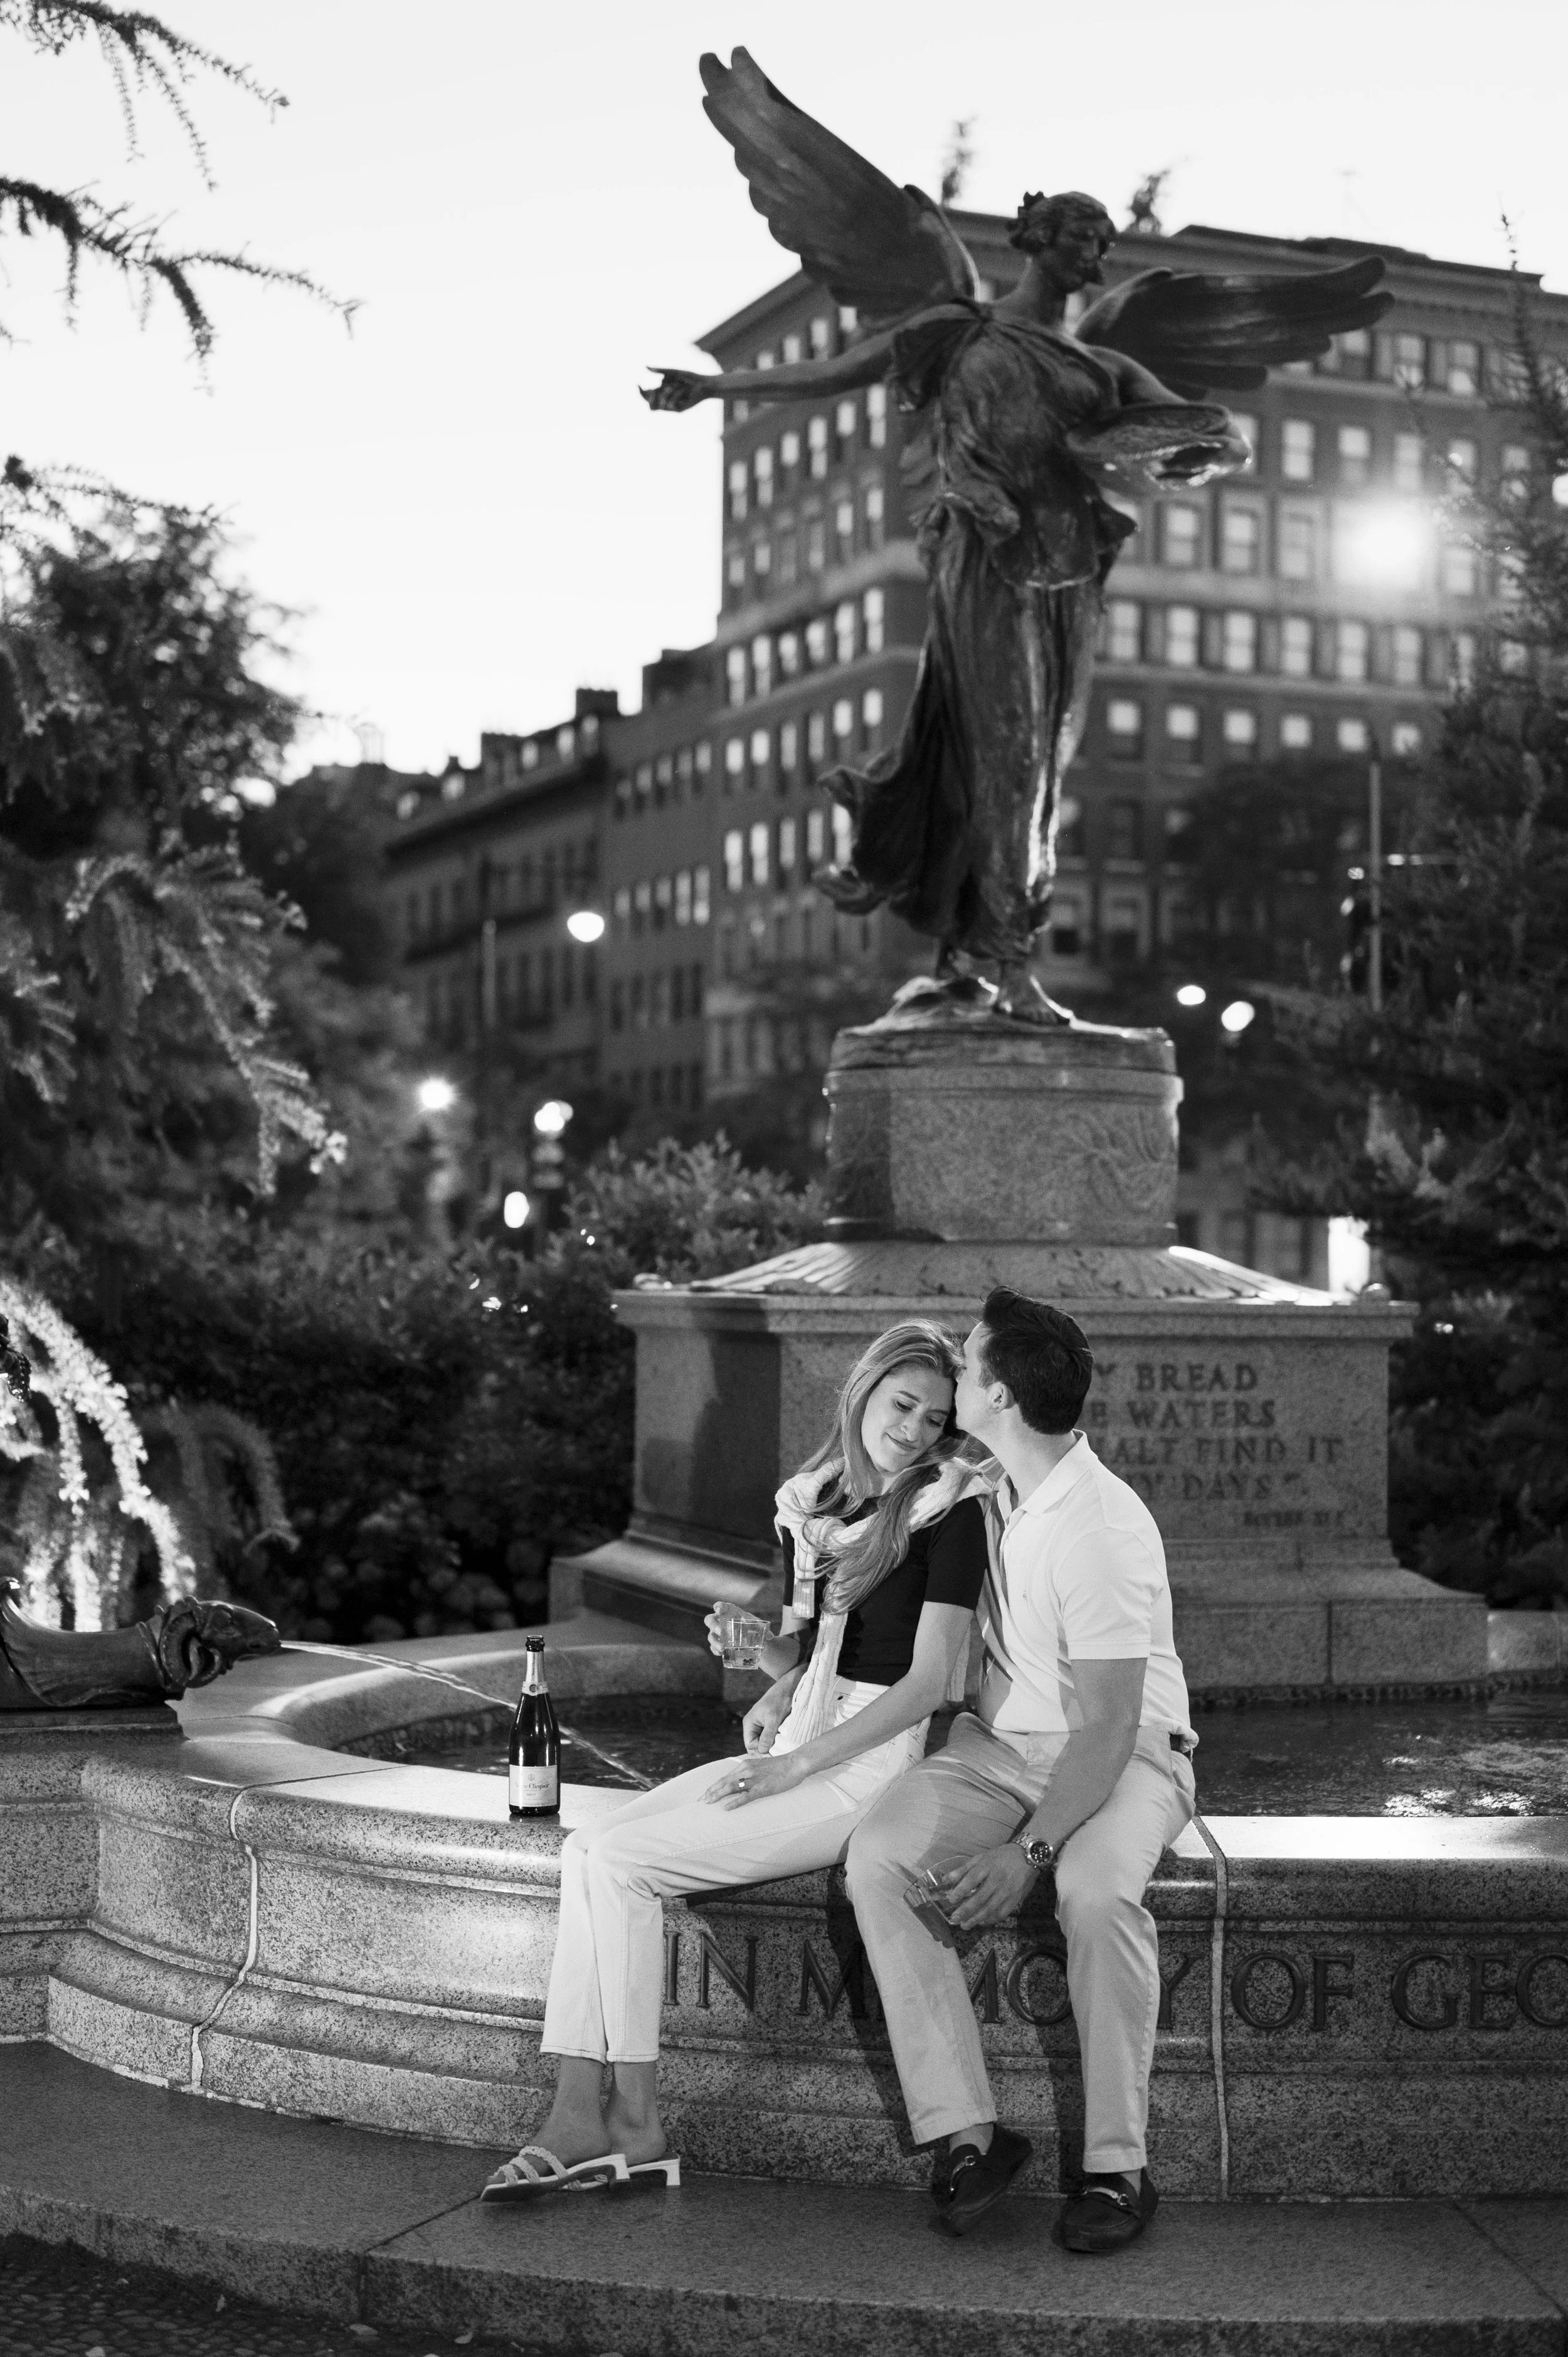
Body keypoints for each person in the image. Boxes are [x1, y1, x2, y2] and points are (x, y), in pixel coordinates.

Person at [480, 1319, 995, 2202]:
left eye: (934, 1417)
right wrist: (756, 1651)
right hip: (801, 1743)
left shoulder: (949, 1510)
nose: (914, 1429)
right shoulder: (815, 1504)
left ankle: (624, 2123)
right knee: (587, 1850)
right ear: (862, 1392)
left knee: (625, 1863)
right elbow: (802, 1662)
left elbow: (925, 1687)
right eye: (903, 1404)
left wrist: (795, 1769)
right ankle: (591, 2111)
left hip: (864, 1769)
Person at [844, 1288, 1198, 2252]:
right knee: (877, 1859)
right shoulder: (985, 1477)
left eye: (965, 1359)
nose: (950, 1370)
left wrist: (1030, 1854)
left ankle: (1119, 2170)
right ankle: (969, 2133)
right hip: (997, 1754)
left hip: (1122, 1758)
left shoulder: (1102, 1527)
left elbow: (1113, 1726)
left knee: (1092, 1894)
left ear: (996, 1392)